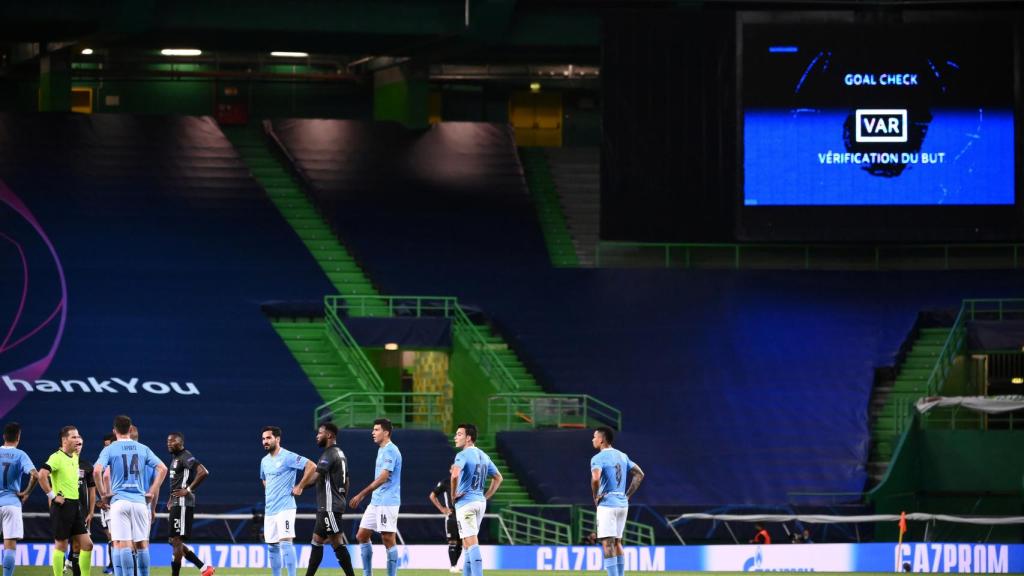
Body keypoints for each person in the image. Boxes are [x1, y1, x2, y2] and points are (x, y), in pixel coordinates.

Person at [93, 415, 167, 576]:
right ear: (130, 428)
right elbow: (163, 469)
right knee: (142, 545)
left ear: (114, 431)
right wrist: (152, 492)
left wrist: (103, 494)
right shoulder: (143, 448)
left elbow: (97, 471)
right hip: (140, 502)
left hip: (119, 502)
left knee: (121, 544)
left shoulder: (110, 449)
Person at [296, 423, 355, 576]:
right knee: (316, 541)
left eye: (320, 433)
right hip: (328, 506)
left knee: (337, 544)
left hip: (329, 507)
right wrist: (341, 498)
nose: (317, 435)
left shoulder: (328, 454)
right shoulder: (340, 453)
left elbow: (316, 476)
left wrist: (299, 486)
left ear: (329, 435)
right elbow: (347, 480)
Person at [260, 426, 316, 576]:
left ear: (277, 439)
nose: (265, 441)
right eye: (263, 438)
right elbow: (264, 479)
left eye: (268, 438)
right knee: (272, 546)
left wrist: (300, 486)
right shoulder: (264, 461)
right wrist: (271, 493)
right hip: (270, 509)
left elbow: (311, 466)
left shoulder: (288, 456)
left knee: (285, 543)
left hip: (285, 507)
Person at [349, 419, 402, 576]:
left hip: (387, 501)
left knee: (388, 539)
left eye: (376, 430)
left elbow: (384, 477)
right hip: (376, 501)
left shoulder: (391, 450)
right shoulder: (381, 449)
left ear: (386, 432)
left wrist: (361, 494)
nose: (373, 432)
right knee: (362, 535)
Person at [38, 426, 94, 576]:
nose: (78, 439)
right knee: (61, 546)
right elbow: (41, 475)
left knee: (87, 545)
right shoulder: (56, 457)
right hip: (62, 506)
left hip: (76, 506)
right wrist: (52, 496)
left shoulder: (74, 456)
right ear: (64, 440)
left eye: (78, 436)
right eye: (73, 437)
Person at [590, 426, 643, 576]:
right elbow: (639, 474)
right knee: (618, 542)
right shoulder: (622, 455)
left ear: (601, 439)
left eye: (594, 437)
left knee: (607, 543)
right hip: (622, 504)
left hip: (607, 504)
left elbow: (595, 479)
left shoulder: (598, 458)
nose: (593, 439)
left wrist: (595, 495)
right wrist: (627, 495)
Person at [451, 423, 502, 576]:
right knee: (467, 544)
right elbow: (498, 477)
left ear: (468, 438)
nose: (455, 437)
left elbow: (454, 475)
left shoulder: (462, 455)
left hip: (466, 503)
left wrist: (453, 494)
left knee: (472, 544)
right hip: (480, 502)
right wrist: (486, 496)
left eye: (459, 434)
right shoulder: (484, 456)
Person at [164, 433, 214, 576]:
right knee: (172, 540)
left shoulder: (185, 456)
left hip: (183, 504)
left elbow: (203, 472)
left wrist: (189, 489)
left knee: (176, 540)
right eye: (167, 441)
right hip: (176, 502)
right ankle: (204, 568)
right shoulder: (175, 458)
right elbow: (177, 482)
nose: (169, 444)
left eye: (172, 441)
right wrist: (171, 498)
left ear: (180, 443)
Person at [0, 423, 37, 576]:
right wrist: (25, 492)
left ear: (4, 436)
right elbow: (35, 474)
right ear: (18, 438)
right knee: (9, 545)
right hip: (12, 503)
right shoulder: (21, 455)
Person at [68, 435, 96, 576]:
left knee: (80, 546)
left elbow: (92, 490)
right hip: (67, 511)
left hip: (83, 512)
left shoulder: (87, 466)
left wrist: (91, 512)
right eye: (76, 444)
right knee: (71, 545)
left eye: (80, 444)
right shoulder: (63, 462)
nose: (78, 447)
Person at [428, 470, 461, 574]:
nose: (457, 471)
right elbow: (432, 495)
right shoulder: (445, 482)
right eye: (454, 469)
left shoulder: (464, 482)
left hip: (463, 516)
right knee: (452, 541)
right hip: (451, 516)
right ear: (451, 471)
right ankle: (453, 566)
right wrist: (442, 509)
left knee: (461, 542)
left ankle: (455, 565)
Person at [97, 435, 116, 575]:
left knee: (118, 538)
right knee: (110, 537)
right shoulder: (102, 461)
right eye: (105, 445)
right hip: (105, 507)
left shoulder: (117, 460)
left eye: (108, 444)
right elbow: (95, 480)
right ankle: (112, 564)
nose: (106, 447)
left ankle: (117, 566)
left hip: (115, 503)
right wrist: (100, 499)